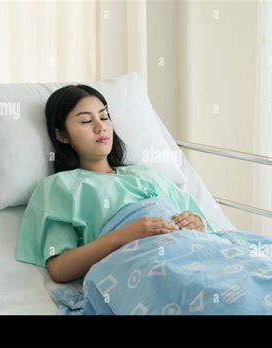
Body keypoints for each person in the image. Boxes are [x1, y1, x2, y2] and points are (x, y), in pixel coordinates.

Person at [16, 85, 213, 283]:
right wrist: (124, 235)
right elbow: (59, 269)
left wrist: (196, 222)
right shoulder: (60, 186)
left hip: (198, 256)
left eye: (104, 117)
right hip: (148, 270)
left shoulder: (146, 174)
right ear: (62, 135)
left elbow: (207, 229)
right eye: (85, 120)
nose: (100, 127)